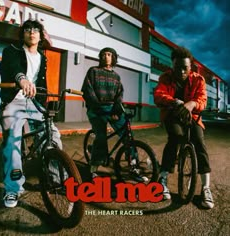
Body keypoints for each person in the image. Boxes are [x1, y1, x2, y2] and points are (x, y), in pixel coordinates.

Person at [0, 19, 62, 208]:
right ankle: (13, 189)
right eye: (27, 30)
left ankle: (57, 177)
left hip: (35, 103)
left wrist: (44, 104)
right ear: (23, 34)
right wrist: (22, 80)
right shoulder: (12, 50)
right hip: (14, 101)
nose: (31, 32)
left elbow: (41, 83)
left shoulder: (43, 56)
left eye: (35, 30)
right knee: (12, 143)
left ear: (40, 35)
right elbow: (13, 67)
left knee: (53, 135)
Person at [154, 46, 214, 209]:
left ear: (190, 67)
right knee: (175, 138)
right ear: (172, 65)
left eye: (184, 68)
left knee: (199, 143)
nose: (180, 71)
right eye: (177, 67)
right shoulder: (165, 78)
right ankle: (163, 178)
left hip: (193, 116)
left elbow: (202, 99)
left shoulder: (198, 80)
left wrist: (192, 103)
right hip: (172, 115)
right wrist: (173, 101)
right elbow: (159, 95)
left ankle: (206, 188)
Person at [81, 47, 144, 182]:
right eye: (103, 54)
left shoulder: (116, 76)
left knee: (128, 135)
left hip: (112, 109)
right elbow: (87, 90)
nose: (106, 56)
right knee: (101, 136)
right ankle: (93, 168)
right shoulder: (93, 71)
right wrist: (97, 106)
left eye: (109, 54)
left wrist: (116, 110)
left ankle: (133, 167)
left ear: (113, 58)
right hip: (96, 109)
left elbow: (119, 95)